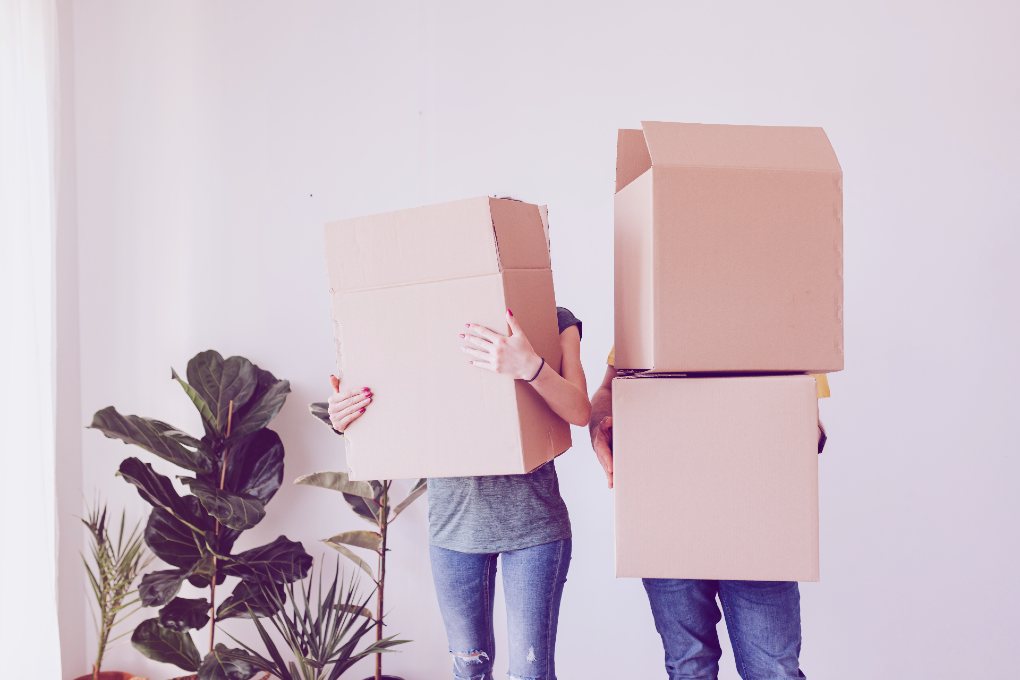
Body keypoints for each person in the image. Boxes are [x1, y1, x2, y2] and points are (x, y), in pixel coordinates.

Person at [327, 307, 590, 680]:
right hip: (454, 531)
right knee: (469, 670)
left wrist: (530, 366)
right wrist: (346, 417)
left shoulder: (553, 318)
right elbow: (391, 406)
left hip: (535, 529)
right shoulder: (416, 321)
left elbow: (579, 411)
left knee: (531, 674)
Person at [589, 348, 826, 680]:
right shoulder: (653, 304)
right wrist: (599, 426)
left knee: (774, 671)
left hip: (757, 518)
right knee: (689, 667)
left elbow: (802, 403)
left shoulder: (779, 307)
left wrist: (794, 435)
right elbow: (610, 390)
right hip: (666, 511)